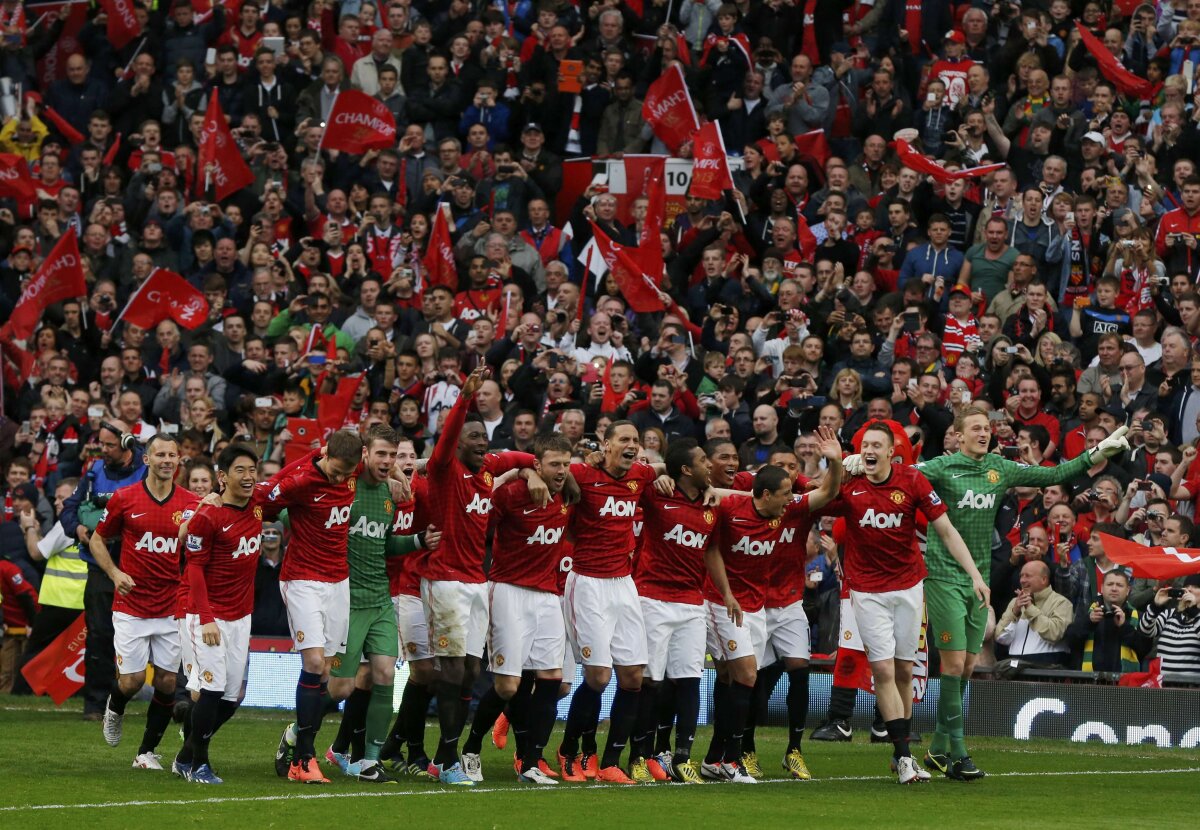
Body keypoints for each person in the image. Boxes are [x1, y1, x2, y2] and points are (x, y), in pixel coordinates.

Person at [843, 403, 1129, 779]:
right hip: (944, 576)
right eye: (975, 428)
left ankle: (939, 748)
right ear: (958, 435)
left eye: (987, 429)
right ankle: (959, 754)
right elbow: (896, 474)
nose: (983, 433)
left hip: (980, 578)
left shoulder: (1000, 469)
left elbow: (1055, 473)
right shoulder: (939, 468)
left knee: (967, 666)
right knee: (954, 663)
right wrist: (853, 461)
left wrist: (1095, 454)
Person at [830, 422, 988, 784]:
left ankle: (901, 752)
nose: (869, 450)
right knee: (883, 671)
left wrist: (976, 576)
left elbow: (946, 529)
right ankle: (903, 758)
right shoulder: (851, 484)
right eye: (864, 444)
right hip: (867, 591)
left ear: (890, 453)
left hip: (908, 587)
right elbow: (815, 499)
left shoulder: (912, 481)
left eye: (876, 445)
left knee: (904, 671)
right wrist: (834, 467)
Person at [418, 366, 545, 786]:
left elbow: (527, 457)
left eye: (484, 439)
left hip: (477, 581)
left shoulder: (488, 470)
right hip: (446, 581)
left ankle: (440, 756)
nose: (481, 444)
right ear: (458, 443)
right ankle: (450, 760)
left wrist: (528, 470)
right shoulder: (444, 469)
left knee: (472, 671)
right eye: (473, 438)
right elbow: (449, 439)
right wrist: (464, 400)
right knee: (452, 672)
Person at [700, 427, 843, 783]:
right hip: (723, 604)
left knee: (745, 678)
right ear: (764, 493)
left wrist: (836, 460)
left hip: (764, 605)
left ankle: (718, 758)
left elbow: (828, 490)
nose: (789, 497)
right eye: (783, 492)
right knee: (744, 676)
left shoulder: (793, 506)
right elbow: (712, 532)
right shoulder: (733, 505)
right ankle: (733, 757)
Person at [324, 425, 439, 783]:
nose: (390, 462)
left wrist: (419, 540)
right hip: (348, 599)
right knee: (343, 686)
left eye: (397, 455)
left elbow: (386, 544)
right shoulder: (344, 486)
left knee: (384, 674)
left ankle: (368, 760)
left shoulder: (396, 496)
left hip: (383, 599)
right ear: (364, 454)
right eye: (385, 454)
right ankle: (300, 733)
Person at [457, 435, 574, 786]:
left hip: (548, 596)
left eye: (566, 464)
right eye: (554, 464)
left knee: (553, 680)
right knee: (509, 685)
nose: (562, 471)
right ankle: (471, 747)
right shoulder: (510, 496)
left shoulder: (569, 494)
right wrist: (520, 473)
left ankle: (531, 761)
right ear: (538, 464)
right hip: (508, 591)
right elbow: (478, 522)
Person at [558, 420, 658, 784]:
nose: (632, 445)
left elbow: (661, 470)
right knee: (598, 677)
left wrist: (660, 476)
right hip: (587, 582)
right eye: (624, 440)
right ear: (606, 444)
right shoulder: (584, 474)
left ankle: (611, 762)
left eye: (636, 439)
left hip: (624, 583)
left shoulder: (642, 477)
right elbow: (555, 469)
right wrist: (584, 458)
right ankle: (568, 751)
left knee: (633, 676)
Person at [90, 434, 199, 769]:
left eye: (172, 454)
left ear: (178, 460)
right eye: (160, 454)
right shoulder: (125, 498)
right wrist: (114, 573)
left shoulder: (190, 503)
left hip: (170, 604)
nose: (167, 460)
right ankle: (115, 706)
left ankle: (146, 752)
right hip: (132, 606)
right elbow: (97, 539)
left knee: (167, 681)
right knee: (132, 681)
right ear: (146, 460)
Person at [268, 430, 364, 784]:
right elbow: (266, 496)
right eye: (336, 471)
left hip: (339, 582)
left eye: (346, 473)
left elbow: (394, 462)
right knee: (312, 662)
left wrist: (400, 474)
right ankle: (304, 760)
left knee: (327, 674)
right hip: (302, 579)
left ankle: (295, 740)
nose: (340, 478)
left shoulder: (354, 468)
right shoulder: (302, 480)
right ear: (325, 455)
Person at [172, 444, 264, 784]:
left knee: (231, 698)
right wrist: (207, 618)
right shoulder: (207, 516)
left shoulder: (257, 506)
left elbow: (287, 480)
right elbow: (193, 570)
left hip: (241, 616)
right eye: (240, 470)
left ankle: (185, 755)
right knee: (209, 691)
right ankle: (199, 765)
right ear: (222, 477)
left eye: (253, 469)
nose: (249, 476)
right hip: (204, 615)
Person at [629, 438, 713, 784]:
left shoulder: (712, 503)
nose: (710, 465)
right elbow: (632, 475)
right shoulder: (656, 494)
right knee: (650, 681)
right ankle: (638, 756)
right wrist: (658, 472)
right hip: (653, 599)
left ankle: (681, 757)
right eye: (704, 460)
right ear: (686, 470)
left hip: (692, 603)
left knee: (690, 679)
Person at [995, 560, 1074, 665]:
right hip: (1015, 669)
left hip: (1047, 670)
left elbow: (1054, 634)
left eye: (1028, 576)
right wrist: (1014, 613)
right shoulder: (1015, 602)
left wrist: (1030, 609)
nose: (1022, 580)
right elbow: (1001, 638)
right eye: (1021, 576)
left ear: (1044, 579)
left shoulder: (1061, 603)